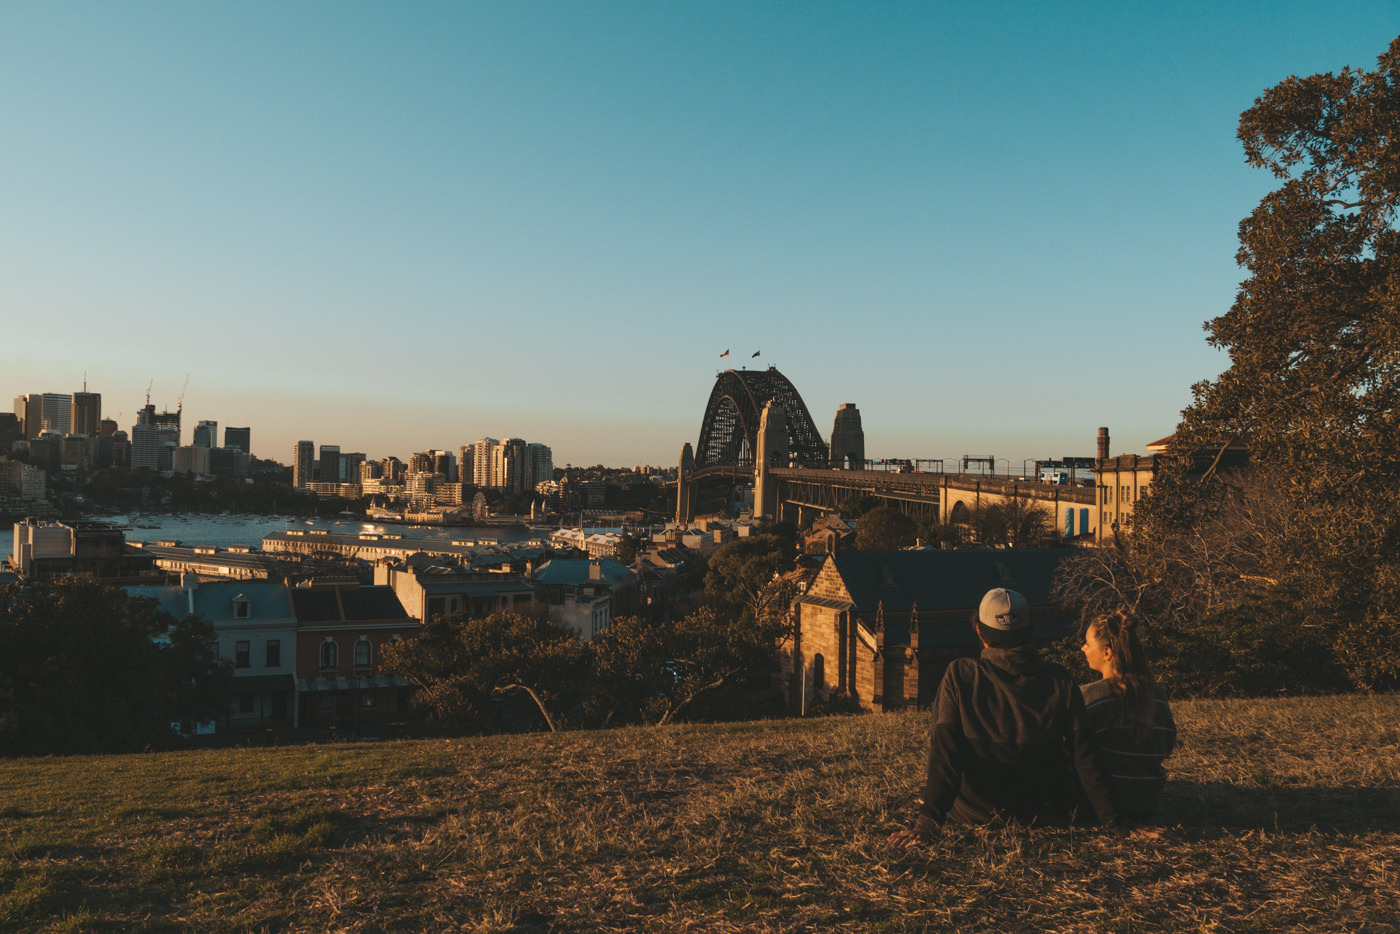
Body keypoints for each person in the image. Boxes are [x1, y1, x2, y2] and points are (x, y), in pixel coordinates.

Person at [890, 588, 1120, 847]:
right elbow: (1086, 756)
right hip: (1030, 809)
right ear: (1031, 631)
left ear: (979, 631)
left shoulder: (962, 675)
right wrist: (1116, 821)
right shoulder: (1060, 680)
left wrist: (928, 823)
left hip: (973, 811)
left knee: (947, 707)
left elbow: (946, 753)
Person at [1079, 610, 1176, 821]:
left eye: (1087, 643)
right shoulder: (1156, 694)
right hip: (1148, 801)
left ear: (1107, 653)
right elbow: (1167, 743)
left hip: (1102, 805)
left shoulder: (1089, 696)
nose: (1082, 648)